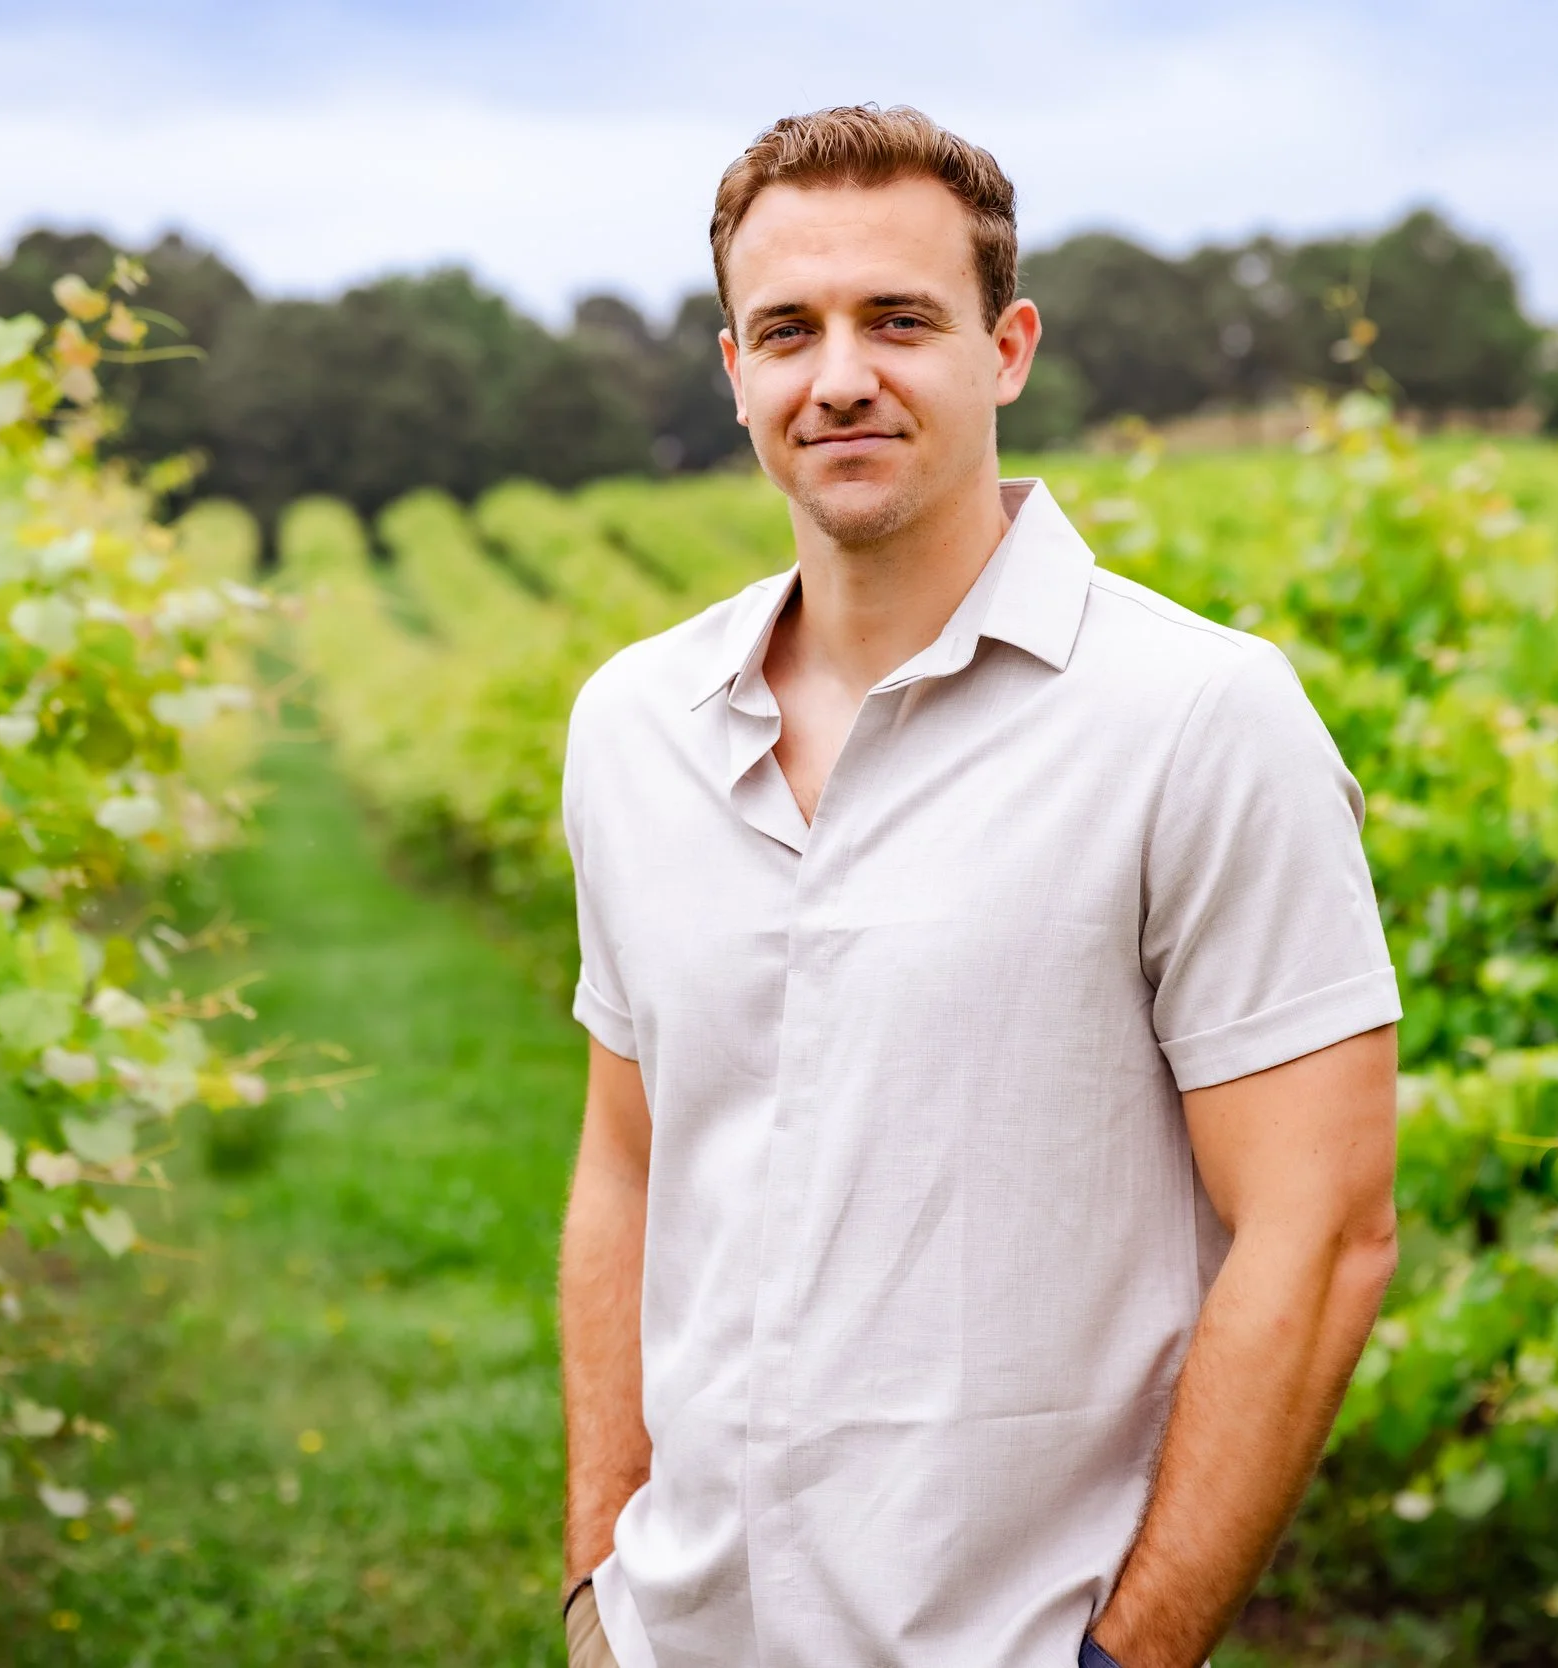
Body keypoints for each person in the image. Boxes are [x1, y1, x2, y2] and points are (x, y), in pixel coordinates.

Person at [556, 104, 1401, 1668]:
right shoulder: (631, 728)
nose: (842, 378)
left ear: (1005, 349)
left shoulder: (1200, 722)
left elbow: (1325, 1227)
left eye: (900, 320)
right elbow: (626, 1164)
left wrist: (1126, 1657)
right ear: (735, 372)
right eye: (788, 330)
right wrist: (598, 1583)